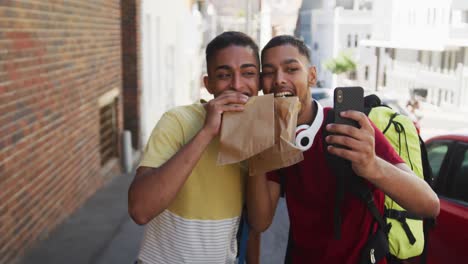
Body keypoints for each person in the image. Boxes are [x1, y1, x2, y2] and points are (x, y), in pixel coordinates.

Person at [246, 35, 440, 264]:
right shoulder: (274, 139)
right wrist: (255, 147)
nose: (279, 79)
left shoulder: (350, 125)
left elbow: (429, 205)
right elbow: (260, 221)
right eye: (269, 72)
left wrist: (372, 165)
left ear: (312, 76)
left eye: (291, 69)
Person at [128, 31, 261, 264]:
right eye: (224, 74)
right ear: (208, 84)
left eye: (248, 73)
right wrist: (207, 132)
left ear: (259, 81)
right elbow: (140, 210)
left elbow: (254, 225)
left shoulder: (259, 134)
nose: (237, 84)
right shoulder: (176, 121)